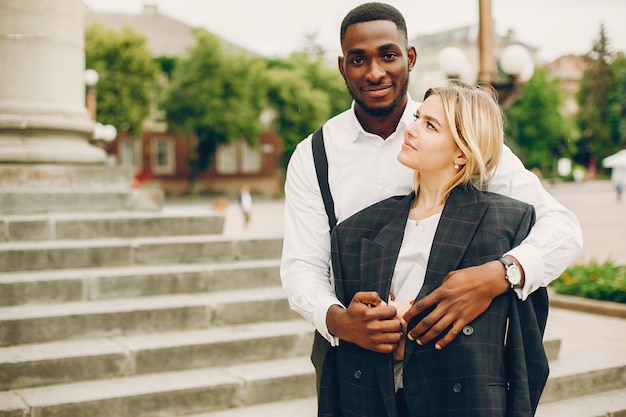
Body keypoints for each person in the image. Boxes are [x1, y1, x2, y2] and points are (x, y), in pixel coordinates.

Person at [280, 0, 581, 400]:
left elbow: (562, 229)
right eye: (358, 59)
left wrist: (499, 275)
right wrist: (337, 320)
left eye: (388, 55)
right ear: (342, 66)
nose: (375, 72)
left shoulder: (458, 131)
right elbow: (302, 266)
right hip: (355, 355)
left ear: (411, 57)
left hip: (454, 369)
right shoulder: (313, 154)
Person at [324, 84, 550, 416]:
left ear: (461, 152)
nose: (411, 129)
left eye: (430, 125)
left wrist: (411, 331)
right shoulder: (356, 231)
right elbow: (343, 361)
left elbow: (525, 354)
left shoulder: (506, 223)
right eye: (417, 117)